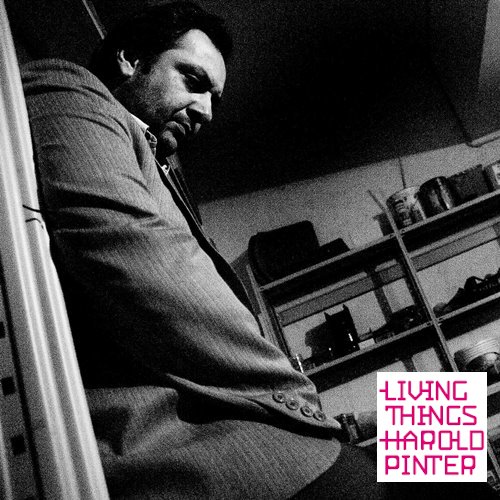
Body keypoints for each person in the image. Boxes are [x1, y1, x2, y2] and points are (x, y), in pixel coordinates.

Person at [21, 2, 498, 499]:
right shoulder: (69, 89)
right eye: (193, 80)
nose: (206, 111)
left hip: (247, 429)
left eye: (214, 98)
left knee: (453, 449)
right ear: (130, 59)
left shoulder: (158, 163)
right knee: (454, 476)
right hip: (205, 449)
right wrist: (299, 398)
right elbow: (135, 260)